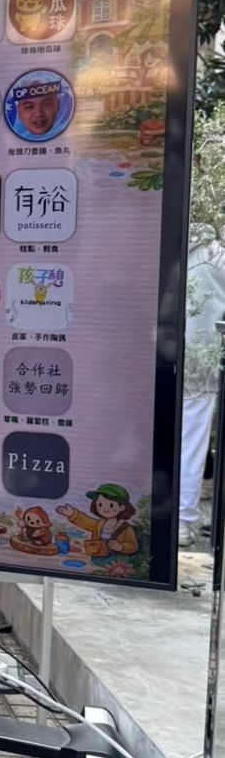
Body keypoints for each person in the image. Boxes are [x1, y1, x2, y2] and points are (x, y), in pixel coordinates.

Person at [178, 222, 225, 547]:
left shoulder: (169, 243)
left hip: (161, 353)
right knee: (192, 441)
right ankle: (183, 522)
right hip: (200, 362)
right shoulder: (216, 257)